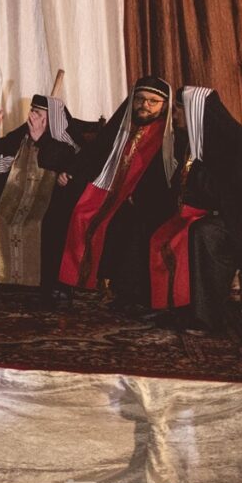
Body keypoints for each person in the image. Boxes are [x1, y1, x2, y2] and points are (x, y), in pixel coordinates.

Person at [56, 76, 177, 309]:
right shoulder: (122, 125)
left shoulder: (169, 136)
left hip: (143, 198)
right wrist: (71, 171)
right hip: (108, 189)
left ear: (164, 106)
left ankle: (118, 289)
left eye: (153, 101)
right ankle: (70, 283)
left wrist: (138, 195)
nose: (145, 105)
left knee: (125, 223)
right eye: (140, 99)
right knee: (77, 211)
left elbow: (164, 178)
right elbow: (94, 153)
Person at [148, 87, 242, 333]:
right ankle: (177, 308)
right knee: (165, 227)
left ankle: (207, 318)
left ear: (194, 112)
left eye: (179, 110)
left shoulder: (235, 146)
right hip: (219, 216)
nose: (175, 116)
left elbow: (236, 197)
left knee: (203, 233)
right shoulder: (192, 143)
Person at [0, 95, 82, 289]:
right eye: (32, 110)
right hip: (17, 198)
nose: (31, 116)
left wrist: (42, 140)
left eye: (37, 113)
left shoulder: (66, 142)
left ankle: (45, 281)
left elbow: (73, 163)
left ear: (50, 118)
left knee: (47, 223)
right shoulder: (24, 133)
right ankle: (6, 277)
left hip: (49, 203)